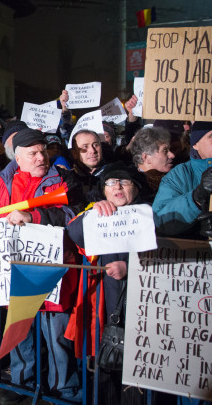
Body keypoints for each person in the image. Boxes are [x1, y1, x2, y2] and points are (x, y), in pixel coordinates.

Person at [0, 129, 81, 404]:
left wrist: (35, 216)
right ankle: (22, 382)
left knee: (56, 336)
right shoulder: (0, 180)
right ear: (18, 158)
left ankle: (64, 389)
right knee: (19, 331)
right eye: (33, 153)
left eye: (43, 152)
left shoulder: (64, 178)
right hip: (14, 273)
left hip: (52, 273)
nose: (41, 157)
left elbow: (73, 213)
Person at [66, 161, 148, 405]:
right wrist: (92, 212)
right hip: (107, 310)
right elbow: (73, 234)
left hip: (140, 312)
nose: (118, 187)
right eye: (111, 182)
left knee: (135, 379)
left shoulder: (148, 213)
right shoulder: (98, 213)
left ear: (136, 187)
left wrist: (130, 269)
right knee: (106, 372)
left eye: (125, 181)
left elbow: (163, 260)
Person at [129, 127, 175, 198]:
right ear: (146, 157)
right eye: (165, 151)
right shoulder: (133, 186)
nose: (172, 155)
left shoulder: (175, 178)